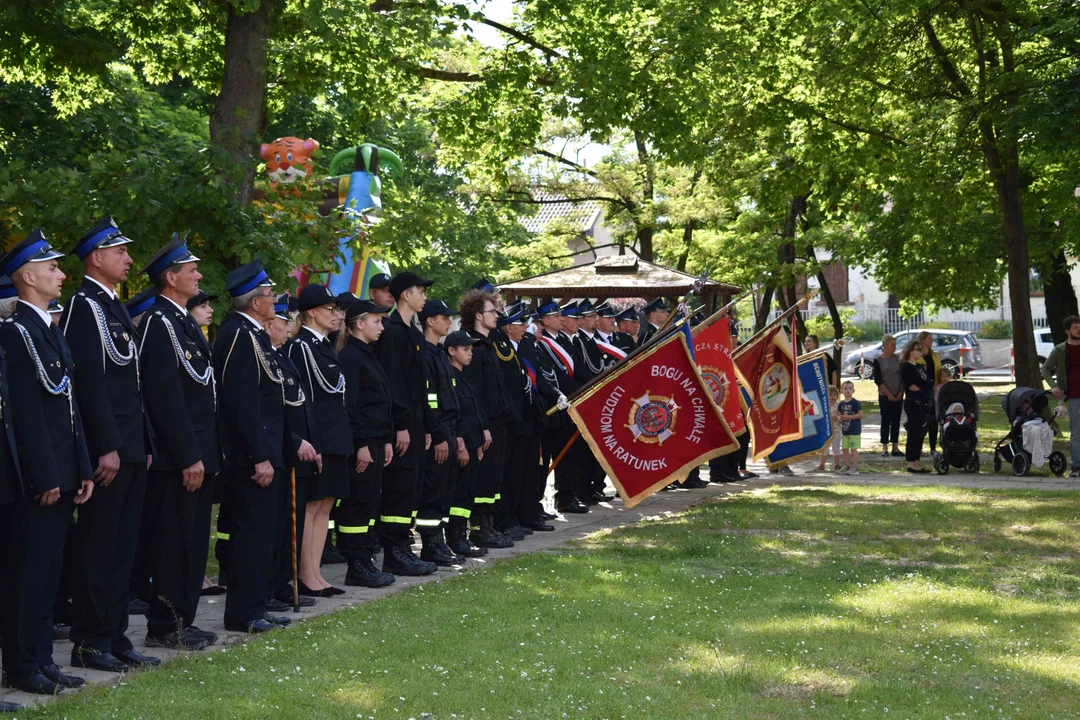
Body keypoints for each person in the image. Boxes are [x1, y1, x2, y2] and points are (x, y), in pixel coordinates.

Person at [61, 217, 158, 673]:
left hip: (132, 445)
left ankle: (116, 636)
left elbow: (131, 383)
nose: (129, 259)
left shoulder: (111, 305)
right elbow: (91, 385)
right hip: (111, 450)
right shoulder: (84, 307)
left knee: (123, 547)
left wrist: (144, 442)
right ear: (96, 258)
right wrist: (107, 446)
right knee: (100, 547)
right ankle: (90, 639)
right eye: (120, 252)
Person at [0, 230, 94, 695]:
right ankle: (21, 665)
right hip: (42, 477)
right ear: (28, 276)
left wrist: (80, 467)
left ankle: (41, 659)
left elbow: (68, 409)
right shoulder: (18, 333)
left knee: (49, 572)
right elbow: (27, 415)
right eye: (52, 267)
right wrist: (45, 474)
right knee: (29, 574)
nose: (61, 274)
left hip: (62, 471)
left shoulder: (46, 331)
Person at [214, 260, 318, 634]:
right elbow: (242, 404)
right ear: (256, 302)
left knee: (264, 537)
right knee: (251, 535)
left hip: (269, 452)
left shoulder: (253, 334)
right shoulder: (239, 334)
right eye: (270, 295)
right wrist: (259, 455)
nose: (274, 301)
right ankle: (243, 613)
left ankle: (255, 606)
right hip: (252, 456)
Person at [138, 236, 220, 651]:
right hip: (178, 459)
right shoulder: (159, 323)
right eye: (191, 270)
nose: (199, 275)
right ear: (171, 278)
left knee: (191, 544)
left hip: (198, 453)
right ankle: (165, 624)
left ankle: (182, 620)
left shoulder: (183, 321)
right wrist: (189, 455)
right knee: (173, 544)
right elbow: (166, 397)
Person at [286, 284, 350, 597]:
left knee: (325, 506)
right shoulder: (301, 348)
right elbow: (304, 400)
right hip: (319, 437)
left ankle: (316, 572)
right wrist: (313, 442)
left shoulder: (324, 346)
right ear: (311, 311)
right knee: (312, 506)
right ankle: (305, 575)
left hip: (335, 434)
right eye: (330, 309)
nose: (337, 315)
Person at [376, 272, 438, 576]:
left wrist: (426, 426)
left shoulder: (413, 333)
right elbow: (394, 384)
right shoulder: (390, 330)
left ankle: (403, 546)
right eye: (419, 291)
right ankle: (393, 551)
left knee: (412, 487)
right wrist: (400, 424)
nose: (423, 296)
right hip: (400, 421)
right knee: (399, 487)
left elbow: (419, 385)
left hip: (415, 420)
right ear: (404, 295)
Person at [334, 299, 397, 587]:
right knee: (357, 504)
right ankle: (356, 565)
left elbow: (379, 402)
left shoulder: (367, 354)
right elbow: (351, 405)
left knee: (370, 502)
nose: (382, 326)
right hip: (362, 442)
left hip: (374, 439)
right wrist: (361, 444)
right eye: (377, 321)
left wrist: (384, 439)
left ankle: (364, 559)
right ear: (359, 323)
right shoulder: (350, 356)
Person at [265, 295, 320, 609]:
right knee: (277, 524)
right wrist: (295, 440)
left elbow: (302, 405)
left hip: (297, 448)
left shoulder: (282, 356)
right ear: (271, 323)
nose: (288, 328)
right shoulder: (269, 356)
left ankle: (282, 581)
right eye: (284, 322)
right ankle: (272, 584)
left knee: (290, 523)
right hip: (283, 446)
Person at [459, 289, 513, 547]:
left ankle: (490, 524)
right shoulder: (474, 347)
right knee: (484, 477)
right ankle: (479, 528)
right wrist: (482, 427)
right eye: (493, 311)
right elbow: (475, 393)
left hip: (498, 420)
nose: (497, 315)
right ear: (478, 315)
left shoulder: (488, 344)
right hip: (485, 423)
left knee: (495, 476)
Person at [415, 299, 465, 565]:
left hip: (449, 429)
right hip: (438, 431)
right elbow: (428, 400)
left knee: (445, 491)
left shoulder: (439, 352)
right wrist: (437, 435)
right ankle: (430, 544)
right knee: (433, 491)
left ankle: (439, 541)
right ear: (430, 321)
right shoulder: (423, 353)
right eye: (444, 317)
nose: (448, 321)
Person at [532, 298, 585, 514]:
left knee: (568, 455)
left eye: (561, 315)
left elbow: (574, 369)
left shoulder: (562, 341)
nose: (561, 319)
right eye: (555, 316)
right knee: (544, 461)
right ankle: (538, 502)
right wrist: (577, 392)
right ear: (544, 321)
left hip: (565, 406)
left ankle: (566, 495)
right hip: (551, 408)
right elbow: (554, 378)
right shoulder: (542, 344)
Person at [444, 329, 492, 554]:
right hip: (461, 447)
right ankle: (455, 539)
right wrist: (462, 445)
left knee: (468, 493)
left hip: (473, 445)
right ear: (451, 351)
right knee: (459, 494)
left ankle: (461, 537)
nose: (470, 354)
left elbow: (475, 410)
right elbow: (455, 416)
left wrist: (481, 439)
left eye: (471, 349)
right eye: (465, 349)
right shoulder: (449, 377)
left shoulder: (465, 376)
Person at [1040, 314, 1080, 476]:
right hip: (1074, 396)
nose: (1079, 329)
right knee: (1076, 432)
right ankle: (1076, 467)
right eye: (1075, 327)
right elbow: (1046, 369)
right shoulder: (1060, 350)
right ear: (1067, 331)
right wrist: (1054, 386)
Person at [900, 339, 933, 473]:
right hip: (913, 403)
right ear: (910, 351)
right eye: (917, 349)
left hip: (924, 403)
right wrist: (922, 386)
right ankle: (911, 463)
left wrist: (922, 386)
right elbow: (913, 385)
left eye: (920, 349)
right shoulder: (906, 367)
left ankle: (917, 461)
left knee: (920, 433)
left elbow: (928, 382)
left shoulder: (920, 366)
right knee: (913, 433)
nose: (920, 351)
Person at [871, 334, 904, 458]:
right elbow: (878, 380)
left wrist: (901, 392)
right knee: (886, 420)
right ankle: (884, 447)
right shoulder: (878, 360)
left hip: (898, 394)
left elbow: (902, 377)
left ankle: (895, 447)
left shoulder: (899, 359)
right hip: (885, 395)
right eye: (892, 345)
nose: (894, 347)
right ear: (885, 346)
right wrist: (889, 394)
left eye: (895, 345)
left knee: (896, 420)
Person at [916, 331, 946, 456]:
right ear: (922, 340)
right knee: (921, 422)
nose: (931, 341)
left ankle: (933, 448)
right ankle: (918, 448)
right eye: (929, 338)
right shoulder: (917, 356)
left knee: (934, 420)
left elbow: (939, 371)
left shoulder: (934, 356)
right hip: (922, 393)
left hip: (934, 392)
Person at [837, 381, 863, 475]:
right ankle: (847, 465)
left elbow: (861, 414)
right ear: (841, 391)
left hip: (854, 430)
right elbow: (839, 414)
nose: (848, 390)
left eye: (850, 388)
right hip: (845, 430)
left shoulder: (855, 402)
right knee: (845, 448)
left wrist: (849, 417)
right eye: (845, 388)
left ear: (853, 390)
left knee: (853, 449)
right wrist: (840, 418)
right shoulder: (841, 404)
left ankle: (855, 467)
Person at [817, 386, 842, 472]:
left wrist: (839, 417)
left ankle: (837, 464)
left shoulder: (839, 405)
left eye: (835, 394)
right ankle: (822, 464)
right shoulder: (824, 406)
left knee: (836, 448)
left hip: (837, 430)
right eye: (830, 394)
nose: (832, 397)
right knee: (825, 448)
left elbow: (841, 416)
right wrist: (833, 417)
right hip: (826, 431)